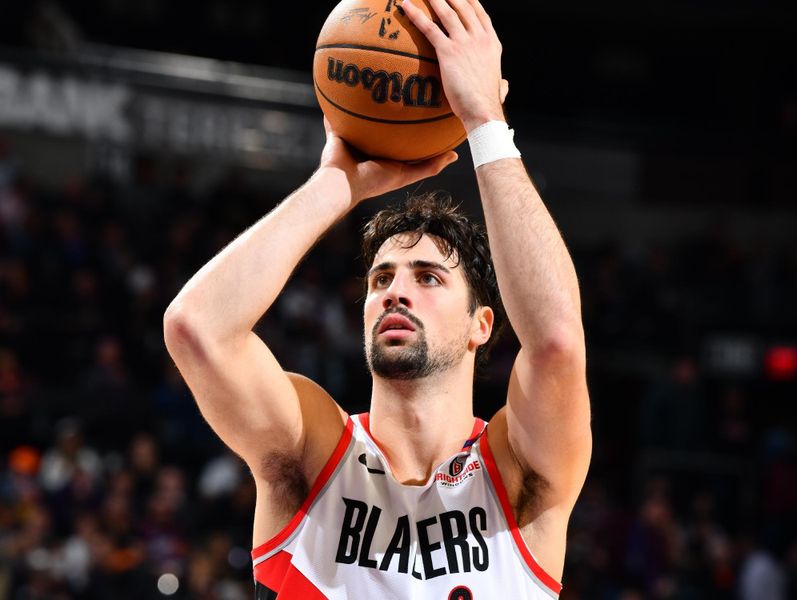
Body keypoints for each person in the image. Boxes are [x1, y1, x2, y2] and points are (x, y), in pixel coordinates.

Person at [163, 0, 591, 597]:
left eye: (428, 277)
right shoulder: (314, 453)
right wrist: (335, 185)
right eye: (381, 278)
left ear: (481, 325)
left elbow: (556, 343)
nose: (396, 292)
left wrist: (486, 124)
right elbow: (195, 328)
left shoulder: (518, 476)